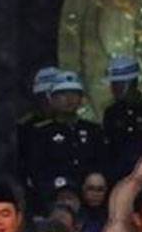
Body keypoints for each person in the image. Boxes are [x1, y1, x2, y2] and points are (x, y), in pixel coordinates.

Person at [28, 71, 107, 199]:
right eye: (62, 94)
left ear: (81, 99)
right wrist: (60, 187)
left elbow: (103, 163)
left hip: (93, 194)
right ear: (52, 99)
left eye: (74, 94)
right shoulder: (42, 133)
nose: (69, 99)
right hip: (56, 195)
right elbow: (38, 172)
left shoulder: (94, 130)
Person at [102, 55, 142, 171]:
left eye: (117, 84)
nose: (113, 89)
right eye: (112, 84)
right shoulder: (111, 113)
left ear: (132, 83)